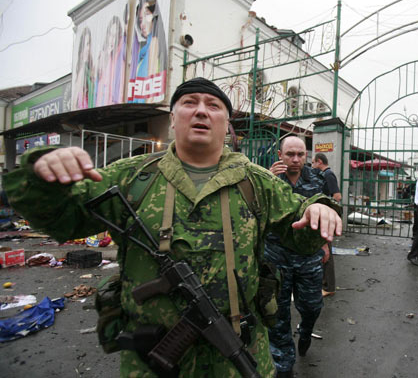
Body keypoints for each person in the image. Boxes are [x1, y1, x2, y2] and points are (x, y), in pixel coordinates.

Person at [4, 77, 342, 378]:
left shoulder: (257, 182)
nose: (201, 112)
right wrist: (43, 179)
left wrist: (318, 210)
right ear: (172, 119)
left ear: (227, 125)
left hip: (238, 354)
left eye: (213, 105)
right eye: (189, 103)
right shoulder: (132, 176)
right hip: (153, 360)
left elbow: (298, 230)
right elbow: (64, 220)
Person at [266, 137, 330, 378]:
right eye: (290, 154)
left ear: (306, 155)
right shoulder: (267, 178)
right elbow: (256, 211)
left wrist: (325, 246)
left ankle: (305, 331)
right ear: (280, 154)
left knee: (312, 306)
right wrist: (268, 181)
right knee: (277, 313)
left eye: (300, 154)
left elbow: (327, 212)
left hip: (308, 255)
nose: (295, 159)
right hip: (276, 255)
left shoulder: (317, 178)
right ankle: (284, 364)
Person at [128, 0, 168, 103]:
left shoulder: (154, 41)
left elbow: (151, 77)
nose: (143, 24)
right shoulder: (143, 48)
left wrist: (149, 102)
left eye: (147, 15)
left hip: (143, 102)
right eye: (140, 20)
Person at [311, 152, 340, 298]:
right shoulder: (324, 175)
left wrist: (328, 210)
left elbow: (337, 196)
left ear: (319, 161)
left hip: (326, 217)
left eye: (313, 163)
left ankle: (329, 286)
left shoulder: (328, 175)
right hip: (323, 216)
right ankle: (325, 284)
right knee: (322, 251)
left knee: (326, 251)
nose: (312, 166)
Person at [96, 15, 126, 106]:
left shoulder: (120, 60)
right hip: (101, 102)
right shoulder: (102, 55)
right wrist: (107, 55)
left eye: (115, 36)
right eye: (111, 35)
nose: (112, 40)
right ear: (107, 35)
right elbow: (99, 75)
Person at [73, 27, 95, 109]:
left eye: (89, 43)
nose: (88, 48)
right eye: (86, 44)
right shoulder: (82, 70)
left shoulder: (88, 68)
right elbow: (74, 102)